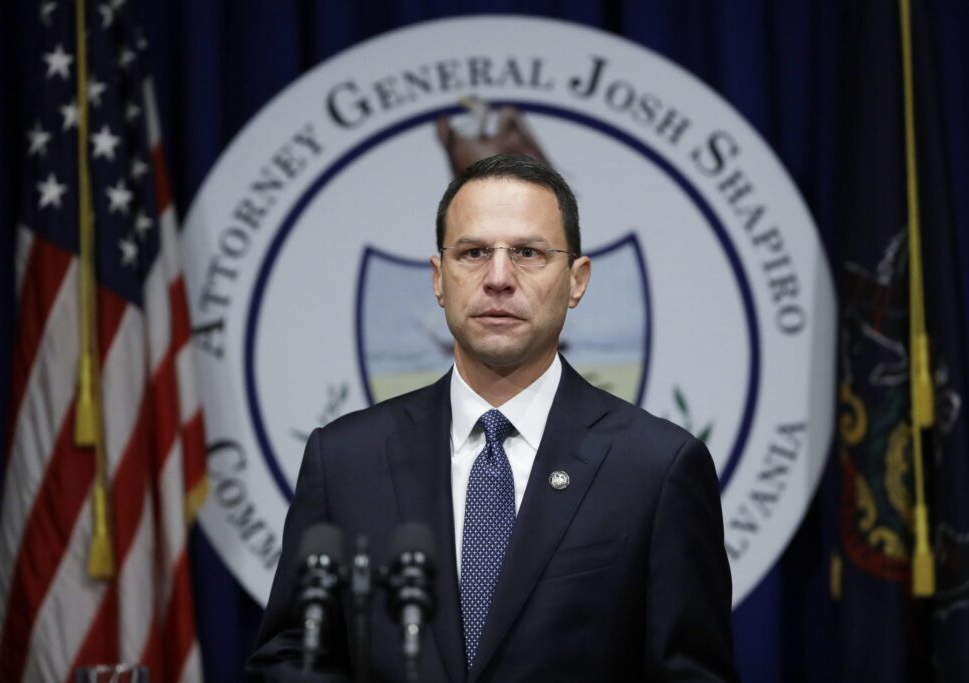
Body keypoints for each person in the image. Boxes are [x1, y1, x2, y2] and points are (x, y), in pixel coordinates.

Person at [248, 154, 737, 682]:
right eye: (474, 252)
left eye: (527, 253)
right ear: (439, 279)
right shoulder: (344, 460)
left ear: (577, 280)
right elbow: (290, 658)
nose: (498, 278)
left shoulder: (657, 468)